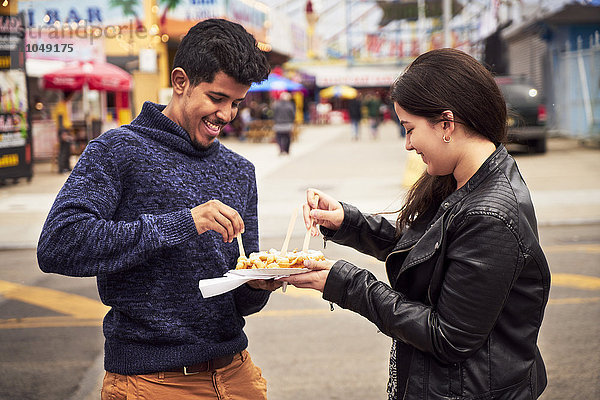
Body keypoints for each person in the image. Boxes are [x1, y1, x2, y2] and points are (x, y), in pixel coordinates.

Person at [285, 48, 550, 400]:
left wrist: (343, 282)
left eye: (410, 129)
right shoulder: (463, 179)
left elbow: (448, 337)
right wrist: (347, 221)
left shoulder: (489, 216)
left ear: (446, 124)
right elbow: (424, 249)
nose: (408, 144)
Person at [37, 19, 277, 400]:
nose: (227, 115)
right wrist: (183, 223)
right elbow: (58, 245)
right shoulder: (118, 150)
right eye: (216, 99)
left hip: (236, 373)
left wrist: (258, 285)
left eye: (236, 103)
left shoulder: (239, 171)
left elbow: (239, 293)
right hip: (150, 380)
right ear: (180, 81)